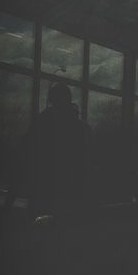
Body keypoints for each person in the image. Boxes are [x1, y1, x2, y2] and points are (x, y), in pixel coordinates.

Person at [17, 83, 91, 216]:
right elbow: (84, 161)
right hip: (70, 189)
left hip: (44, 188)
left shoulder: (42, 122)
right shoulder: (82, 129)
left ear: (52, 100)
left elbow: (26, 150)